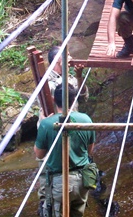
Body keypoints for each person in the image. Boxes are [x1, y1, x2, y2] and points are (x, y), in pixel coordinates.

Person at [37, 46, 89, 215]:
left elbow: (83, 97)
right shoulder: (47, 83)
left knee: (74, 168)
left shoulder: (71, 79)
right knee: (48, 177)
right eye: (67, 56)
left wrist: (79, 77)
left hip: (73, 130)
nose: (71, 58)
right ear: (59, 60)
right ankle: (47, 206)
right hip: (52, 132)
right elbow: (56, 98)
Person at [34, 84, 96, 217]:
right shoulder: (86, 119)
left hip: (60, 183)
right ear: (74, 100)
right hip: (83, 180)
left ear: (53, 99)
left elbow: (39, 154)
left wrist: (42, 125)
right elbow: (90, 150)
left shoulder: (46, 124)